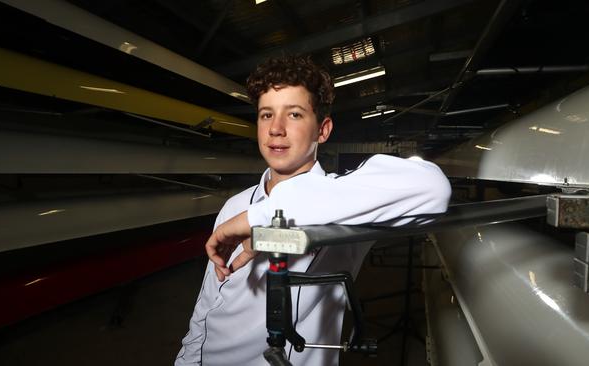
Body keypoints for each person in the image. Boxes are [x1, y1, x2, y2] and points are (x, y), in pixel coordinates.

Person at [175, 56, 451, 365]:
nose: (276, 129)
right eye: (266, 115)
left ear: (323, 130)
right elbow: (208, 301)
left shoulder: (349, 204)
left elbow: (433, 188)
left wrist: (262, 219)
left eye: (294, 114)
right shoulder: (235, 207)